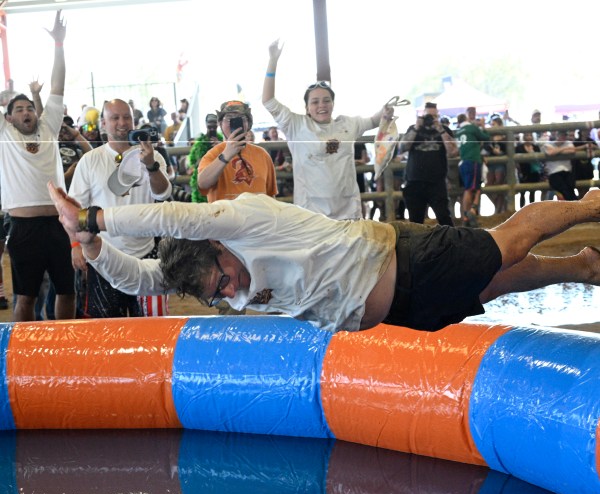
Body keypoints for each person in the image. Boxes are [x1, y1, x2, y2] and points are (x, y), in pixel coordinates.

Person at [50, 181, 600, 335]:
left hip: (407, 260)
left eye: (222, 280)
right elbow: (136, 278)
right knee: (494, 286)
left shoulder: (240, 220)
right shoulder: (202, 273)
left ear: (218, 248)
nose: (228, 291)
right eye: (217, 294)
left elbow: (175, 218)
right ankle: (583, 267)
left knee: (506, 243)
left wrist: (95, 221)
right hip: (402, 308)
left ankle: (589, 203)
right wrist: (93, 249)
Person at [263, 39, 392, 220]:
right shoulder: (296, 125)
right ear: (307, 107)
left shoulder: (348, 124)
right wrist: (273, 60)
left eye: (326, 100)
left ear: (333, 103)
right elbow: (268, 101)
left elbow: (373, 120)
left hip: (348, 211)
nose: (321, 105)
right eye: (314, 102)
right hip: (311, 213)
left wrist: (385, 112)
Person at [0, 11, 75, 322]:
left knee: (67, 291)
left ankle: (66, 348)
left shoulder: (48, 127)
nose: (26, 111)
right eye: (19, 109)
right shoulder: (5, 135)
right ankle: (24, 358)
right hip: (23, 228)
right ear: (9, 118)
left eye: (29, 106)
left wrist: (58, 45)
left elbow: (57, 85)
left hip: (59, 225)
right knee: (26, 297)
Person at [68, 98, 172, 318]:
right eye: (114, 118)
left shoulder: (153, 156)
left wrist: (151, 166)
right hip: (103, 255)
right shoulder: (90, 160)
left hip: (146, 256)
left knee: (150, 329)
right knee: (105, 329)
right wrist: (76, 245)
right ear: (103, 124)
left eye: (127, 117)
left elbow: (163, 194)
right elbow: (75, 207)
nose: (122, 123)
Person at [196, 100, 277, 203]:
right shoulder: (212, 155)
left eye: (241, 118)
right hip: (225, 217)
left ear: (248, 123)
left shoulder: (262, 155)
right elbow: (202, 184)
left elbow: (271, 196)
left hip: (258, 217)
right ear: (220, 123)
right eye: (228, 118)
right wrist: (226, 155)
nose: (233, 122)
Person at [399, 102, 456, 226]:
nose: (430, 119)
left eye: (434, 116)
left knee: (444, 217)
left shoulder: (444, 130)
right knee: (415, 221)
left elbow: (452, 152)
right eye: (428, 116)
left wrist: (440, 129)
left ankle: (450, 244)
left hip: (437, 181)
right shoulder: (413, 129)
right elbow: (403, 147)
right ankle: (418, 245)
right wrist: (416, 127)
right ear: (422, 116)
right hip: (414, 181)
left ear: (438, 116)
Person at [455, 111, 490, 227]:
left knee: (470, 188)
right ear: (466, 119)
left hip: (463, 161)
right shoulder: (471, 128)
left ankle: (468, 214)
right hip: (473, 160)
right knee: (472, 188)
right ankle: (469, 213)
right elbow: (485, 137)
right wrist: (483, 126)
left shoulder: (458, 132)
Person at [187, 113, 223, 203]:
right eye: (209, 126)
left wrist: (220, 146)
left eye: (214, 127)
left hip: (219, 179)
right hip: (201, 178)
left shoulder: (222, 141)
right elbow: (192, 164)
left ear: (217, 125)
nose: (212, 129)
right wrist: (199, 162)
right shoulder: (199, 142)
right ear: (206, 125)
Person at [542, 129, 578, 200]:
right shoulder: (548, 143)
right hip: (554, 173)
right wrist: (564, 149)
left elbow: (572, 150)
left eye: (564, 135)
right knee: (565, 190)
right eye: (561, 135)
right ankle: (575, 204)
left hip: (567, 172)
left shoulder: (568, 143)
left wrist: (557, 151)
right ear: (557, 135)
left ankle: (574, 205)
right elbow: (550, 153)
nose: (563, 137)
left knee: (570, 188)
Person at [483, 115, 508, 214]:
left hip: (501, 164)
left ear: (499, 124)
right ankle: (498, 207)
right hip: (491, 164)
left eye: (493, 124)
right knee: (488, 186)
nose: (491, 126)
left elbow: (508, 151)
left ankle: (499, 210)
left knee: (499, 184)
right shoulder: (489, 137)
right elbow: (485, 148)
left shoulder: (505, 137)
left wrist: (499, 153)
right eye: (491, 124)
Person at [515, 131, 543, 207]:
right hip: (523, 172)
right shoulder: (518, 147)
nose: (529, 137)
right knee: (522, 193)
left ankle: (531, 209)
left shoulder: (536, 147)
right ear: (524, 137)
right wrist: (518, 170)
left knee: (532, 193)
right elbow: (515, 161)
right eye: (527, 135)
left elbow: (540, 159)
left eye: (530, 135)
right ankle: (520, 210)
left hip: (534, 172)